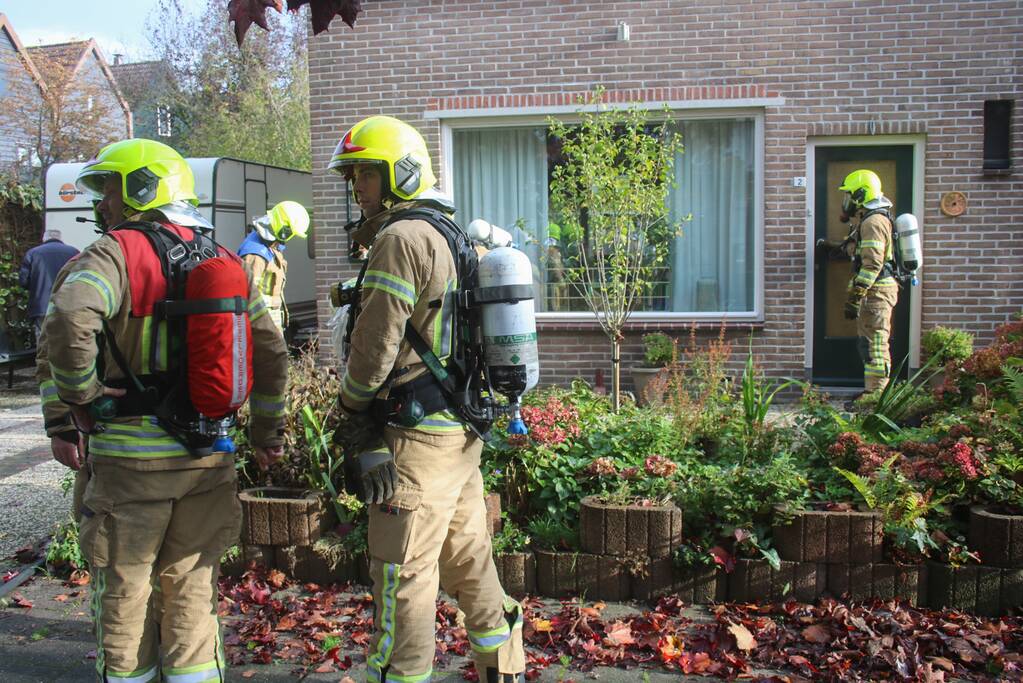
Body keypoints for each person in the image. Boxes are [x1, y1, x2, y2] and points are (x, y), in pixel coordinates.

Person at [46, 138, 289, 683]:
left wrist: (80, 398)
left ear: (138, 189)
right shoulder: (222, 257)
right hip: (207, 461)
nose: (103, 203)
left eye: (109, 188)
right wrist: (266, 433)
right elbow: (271, 354)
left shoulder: (114, 253)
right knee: (192, 587)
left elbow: (67, 320)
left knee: (127, 592)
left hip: (130, 467)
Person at [327, 115, 525, 683]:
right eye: (353, 174)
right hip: (458, 434)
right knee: (470, 561)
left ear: (402, 174)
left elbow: (374, 347)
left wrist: (352, 418)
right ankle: (502, 667)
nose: (357, 185)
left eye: (367, 172)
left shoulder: (401, 237)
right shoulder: (448, 232)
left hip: (414, 441)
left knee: (403, 575)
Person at [837, 169, 899, 396]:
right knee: (868, 343)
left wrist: (855, 297)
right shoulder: (869, 219)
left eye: (849, 196)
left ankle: (877, 398)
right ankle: (870, 391)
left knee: (876, 346)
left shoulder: (873, 222)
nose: (846, 202)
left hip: (877, 293)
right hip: (873, 293)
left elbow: (872, 264)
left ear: (861, 195)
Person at [237, 200, 310, 332]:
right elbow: (249, 296)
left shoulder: (271, 246)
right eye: (291, 233)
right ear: (284, 228)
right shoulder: (256, 254)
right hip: (261, 324)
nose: (290, 237)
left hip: (269, 320)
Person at [19, 229, 78, 340]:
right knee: (67, 340)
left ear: (44, 239)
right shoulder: (74, 252)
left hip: (42, 306)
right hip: (69, 305)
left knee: (43, 341)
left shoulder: (33, 253)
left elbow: (23, 281)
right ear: (61, 239)